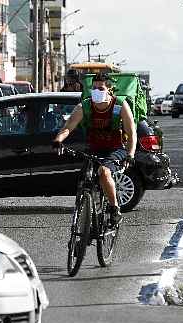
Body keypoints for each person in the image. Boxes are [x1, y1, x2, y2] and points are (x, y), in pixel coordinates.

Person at [52, 72, 137, 226]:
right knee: (85, 178)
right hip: (93, 148)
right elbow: (68, 127)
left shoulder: (120, 105)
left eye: (101, 88)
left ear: (109, 89)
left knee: (104, 172)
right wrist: (58, 140)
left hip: (115, 149)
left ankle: (114, 209)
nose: (97, 91)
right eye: (94, 88)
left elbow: (131, 133)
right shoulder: (84, 105)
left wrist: (130, 154)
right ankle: (87, 211)